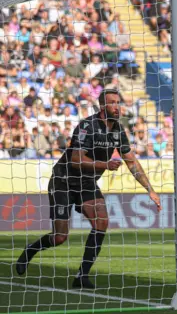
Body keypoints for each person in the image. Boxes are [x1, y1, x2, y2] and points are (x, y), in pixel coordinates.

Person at [16, 89, 161, 289]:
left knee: (101, 222)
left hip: (87, 183)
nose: (117, 107)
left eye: (119, 102)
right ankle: (30, 251)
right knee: (60, 237)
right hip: (64, 181)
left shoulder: (118, 130)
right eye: (112, 103)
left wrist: (150, 190)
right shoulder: (87, 126)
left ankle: (81, 275)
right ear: (102, 106)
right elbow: (76, 160)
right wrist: (105, 165)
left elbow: (131, 161)